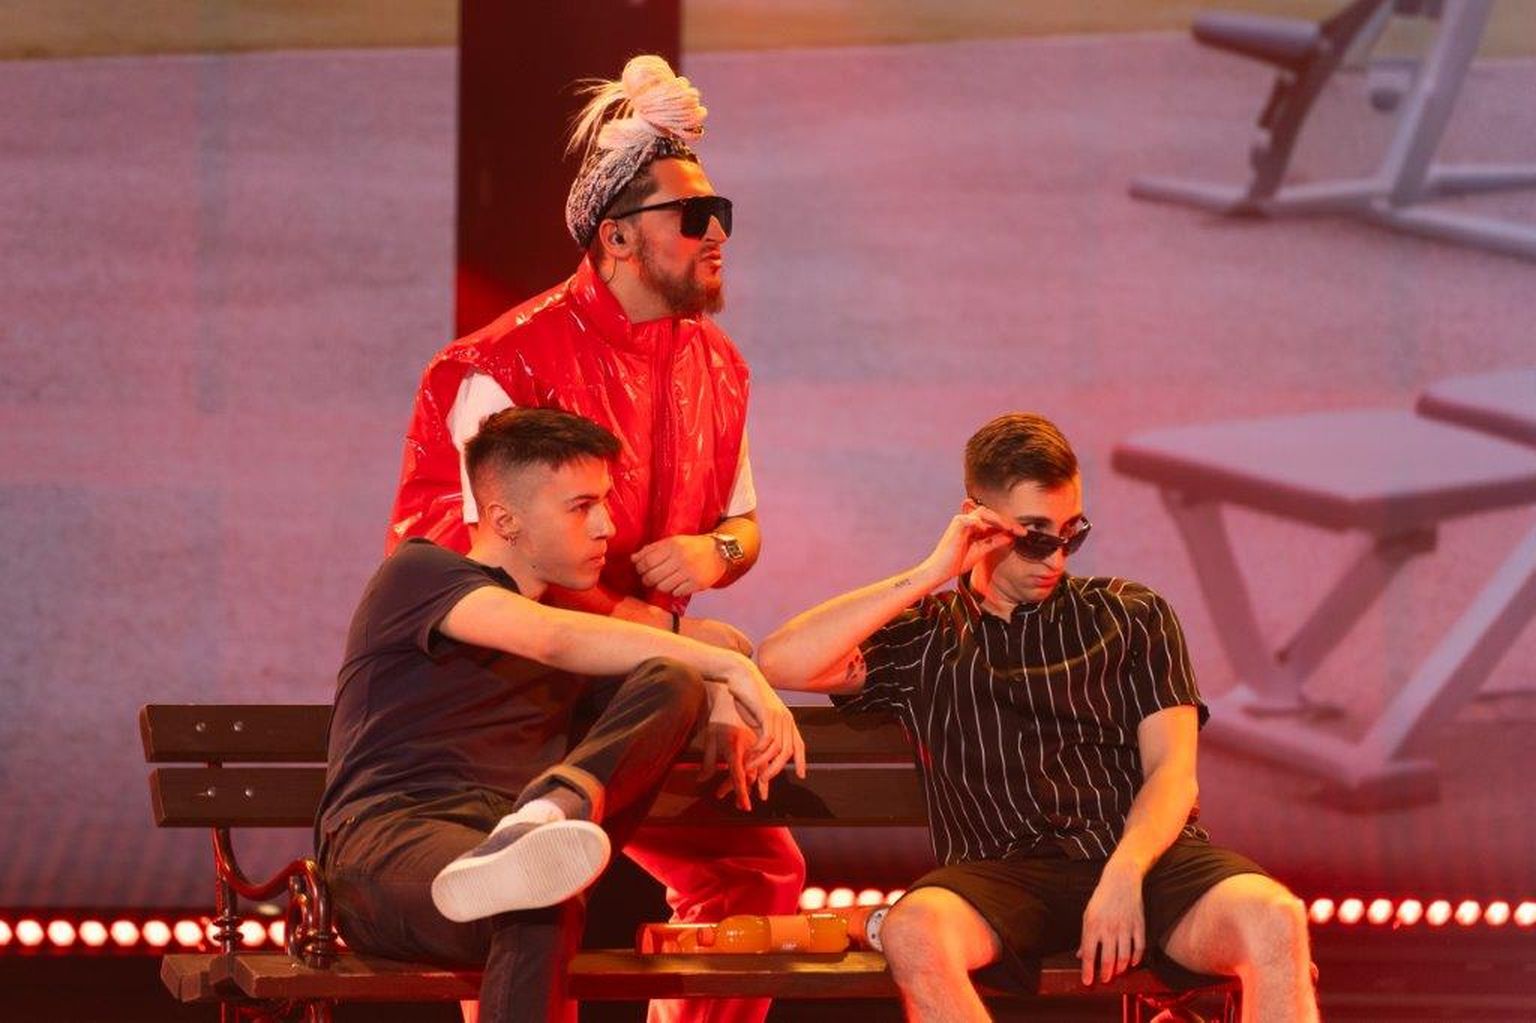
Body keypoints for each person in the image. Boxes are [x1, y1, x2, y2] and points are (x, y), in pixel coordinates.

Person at [385, 54, 804, 1023]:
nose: (718, 234)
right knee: (534, 896)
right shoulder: (499, 364)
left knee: (758, 875)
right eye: (692, 216)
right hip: (503, 709)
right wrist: (679, 644)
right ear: (616, 236)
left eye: (721, 213)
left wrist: (715, 556)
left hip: (643, 700)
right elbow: (465, 566)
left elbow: (741, 526)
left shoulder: (719, 368)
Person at [757, 413, 1319, 1023]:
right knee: (914, 929)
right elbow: (780, 661)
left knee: (1275, 919)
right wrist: (929, 574)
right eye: (1034, 537)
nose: (1055, 557)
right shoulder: (926, 636)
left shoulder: (1131, 615)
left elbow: (1173, 773)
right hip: (1001, 877)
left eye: (1071, 534)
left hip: (1143, 860)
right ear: (977, 521)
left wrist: (1125, 875)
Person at [318, 408, 805, 1023]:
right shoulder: (421, 574)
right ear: (505, 520)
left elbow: (654, 681)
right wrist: (730, 668)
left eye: (605, 503)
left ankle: (548, 815)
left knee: (544, 886)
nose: (607, 526)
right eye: (581, 507)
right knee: (530, 890)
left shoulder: (584, 656)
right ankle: (542, 821)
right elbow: (550, 638)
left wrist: (712, 689)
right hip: (390, 850)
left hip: (512, 851)